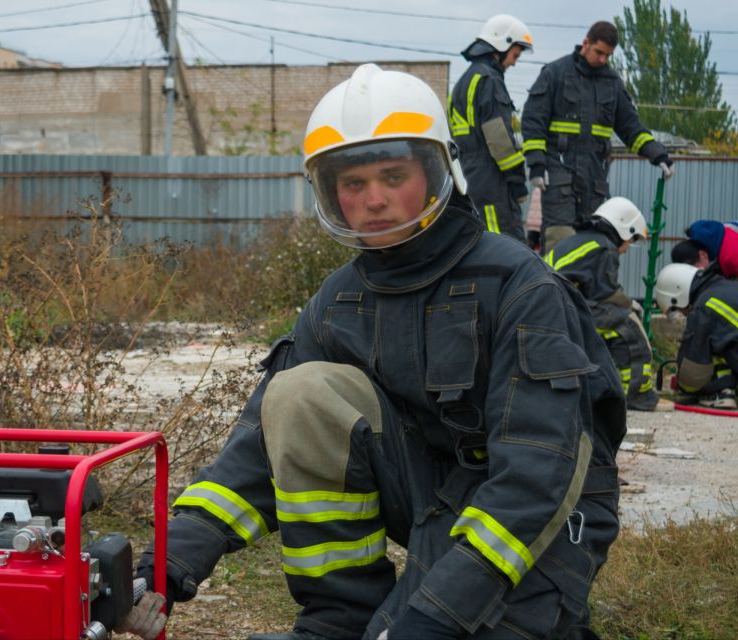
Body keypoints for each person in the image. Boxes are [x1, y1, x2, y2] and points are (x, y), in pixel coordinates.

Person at [122, 64, 626, 640]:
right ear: (331, 194)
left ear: (440, 171)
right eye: (354, 183)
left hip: (543, 525)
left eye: (393, 175)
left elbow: (539, 474)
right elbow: (255, 451)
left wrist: (435, 617)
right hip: (437, 507)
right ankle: (342, 616)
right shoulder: (337, 301)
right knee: (298, 394)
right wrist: (162, 567)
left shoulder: (520, 286)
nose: (375, 200)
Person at [521, 20, 674, 254]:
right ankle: (555, 290)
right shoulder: (555, 73)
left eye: (608, 55)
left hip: (595, 179)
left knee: (597, 242)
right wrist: (537, 165)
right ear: (586, 43)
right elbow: (533, 120)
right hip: (559, 173)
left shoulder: (612, 83)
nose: (602, 59)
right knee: (559, 238)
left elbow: (630, 125)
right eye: (599, 52)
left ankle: (591, 291)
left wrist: (657, 153)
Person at [544, 197, 659, 411]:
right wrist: (630, 305)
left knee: (609, 321)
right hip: (561, 307)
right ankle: (637, 393)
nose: (626, 249)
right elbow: (604, 294)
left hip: (551, 306)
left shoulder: (583, 240)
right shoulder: (605, 247)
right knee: (627, 328)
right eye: (630, 239)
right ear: (624, 229)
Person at [449, 14, 534, 243]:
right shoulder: (489, 80)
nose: (514, 62)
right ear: (502, 44)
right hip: (492, 183)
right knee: (506, 249)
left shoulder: (464, 82)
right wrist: (518, 183)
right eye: (515, 55)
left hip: (469, 180)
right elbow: (500, 141)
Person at [655, 263, 738, 409]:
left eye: (678, 309)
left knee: (708, 351)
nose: (684, 314)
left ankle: (720, 393)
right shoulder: (727, 286)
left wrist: (683, 384)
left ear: (677, 297)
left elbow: (692, 374)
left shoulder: (704, 307)